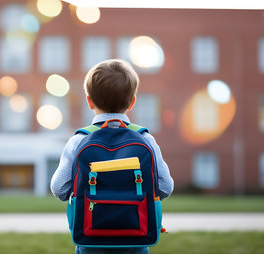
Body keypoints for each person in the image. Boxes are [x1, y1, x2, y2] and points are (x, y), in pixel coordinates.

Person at [50, 59, 174, 254]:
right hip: (136, 237)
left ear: (89, 101)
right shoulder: (145, 139)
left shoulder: (79, 140)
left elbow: (59, 188)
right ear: (132, 101)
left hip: (90, 238)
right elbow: (165, 187)